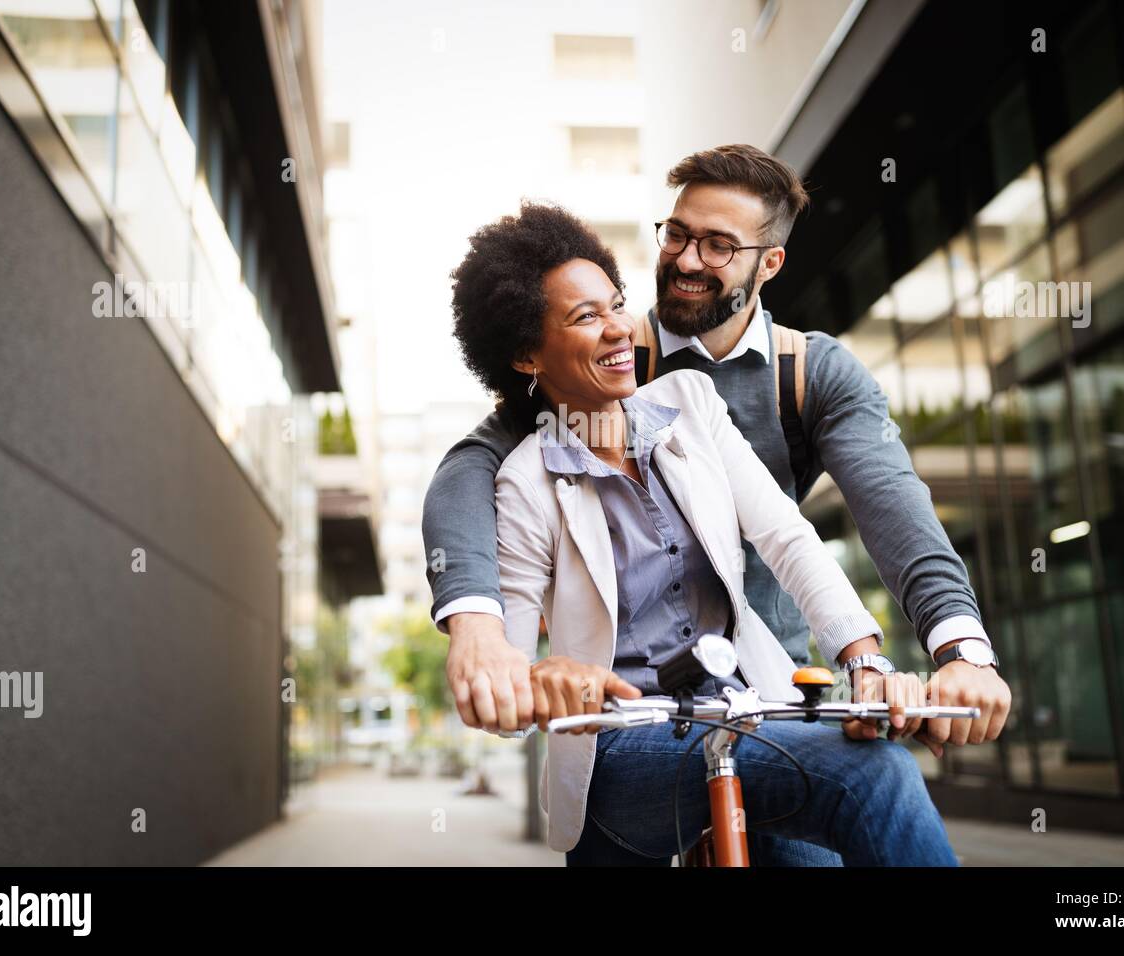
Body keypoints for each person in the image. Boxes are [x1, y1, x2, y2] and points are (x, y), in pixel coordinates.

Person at [427, 144, 1011, 865]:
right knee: (863, 777)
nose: (687, 261)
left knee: (866, 785)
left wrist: (884, 659)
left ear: (768, 264)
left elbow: (806, 535)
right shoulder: (551, 436)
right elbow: (469, 484)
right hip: (625, 739)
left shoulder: (736, 390)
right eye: (677, 234)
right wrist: (504, 655)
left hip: (763, 703)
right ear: (528, 354)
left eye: (718, 244)